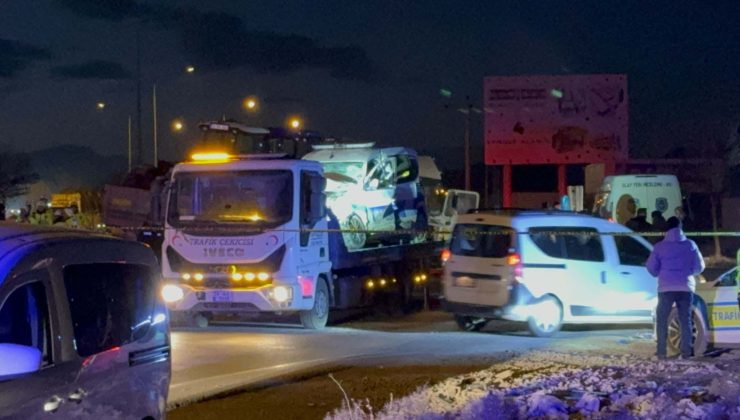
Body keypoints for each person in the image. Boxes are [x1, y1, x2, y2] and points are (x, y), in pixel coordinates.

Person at [646, 216, 705, 359]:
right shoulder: (690, 245)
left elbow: (650, 267)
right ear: (680, 227)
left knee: (662, 320)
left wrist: (659, 273)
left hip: (666, 288)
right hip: (685, 287)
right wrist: (688, 272)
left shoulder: (660, 246)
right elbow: (700, 267)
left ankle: (661, 352)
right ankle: (686, 352)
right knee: (685, 320)